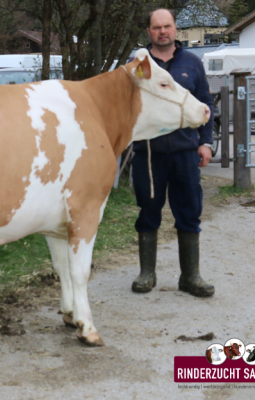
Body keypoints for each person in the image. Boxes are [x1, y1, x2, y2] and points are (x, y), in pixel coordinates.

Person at [131, 8, 215, 297]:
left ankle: (190, 277)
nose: (162, 31)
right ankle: (146, 274)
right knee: (148, 212)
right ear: (149, 31)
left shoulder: (192, 63)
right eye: (156, 27)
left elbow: (205, 104)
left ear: (176, 28)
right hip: (149, 154)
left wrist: (206, 142)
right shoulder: (139, 65)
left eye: (167, 26)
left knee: (189, 212)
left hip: (185, 152)